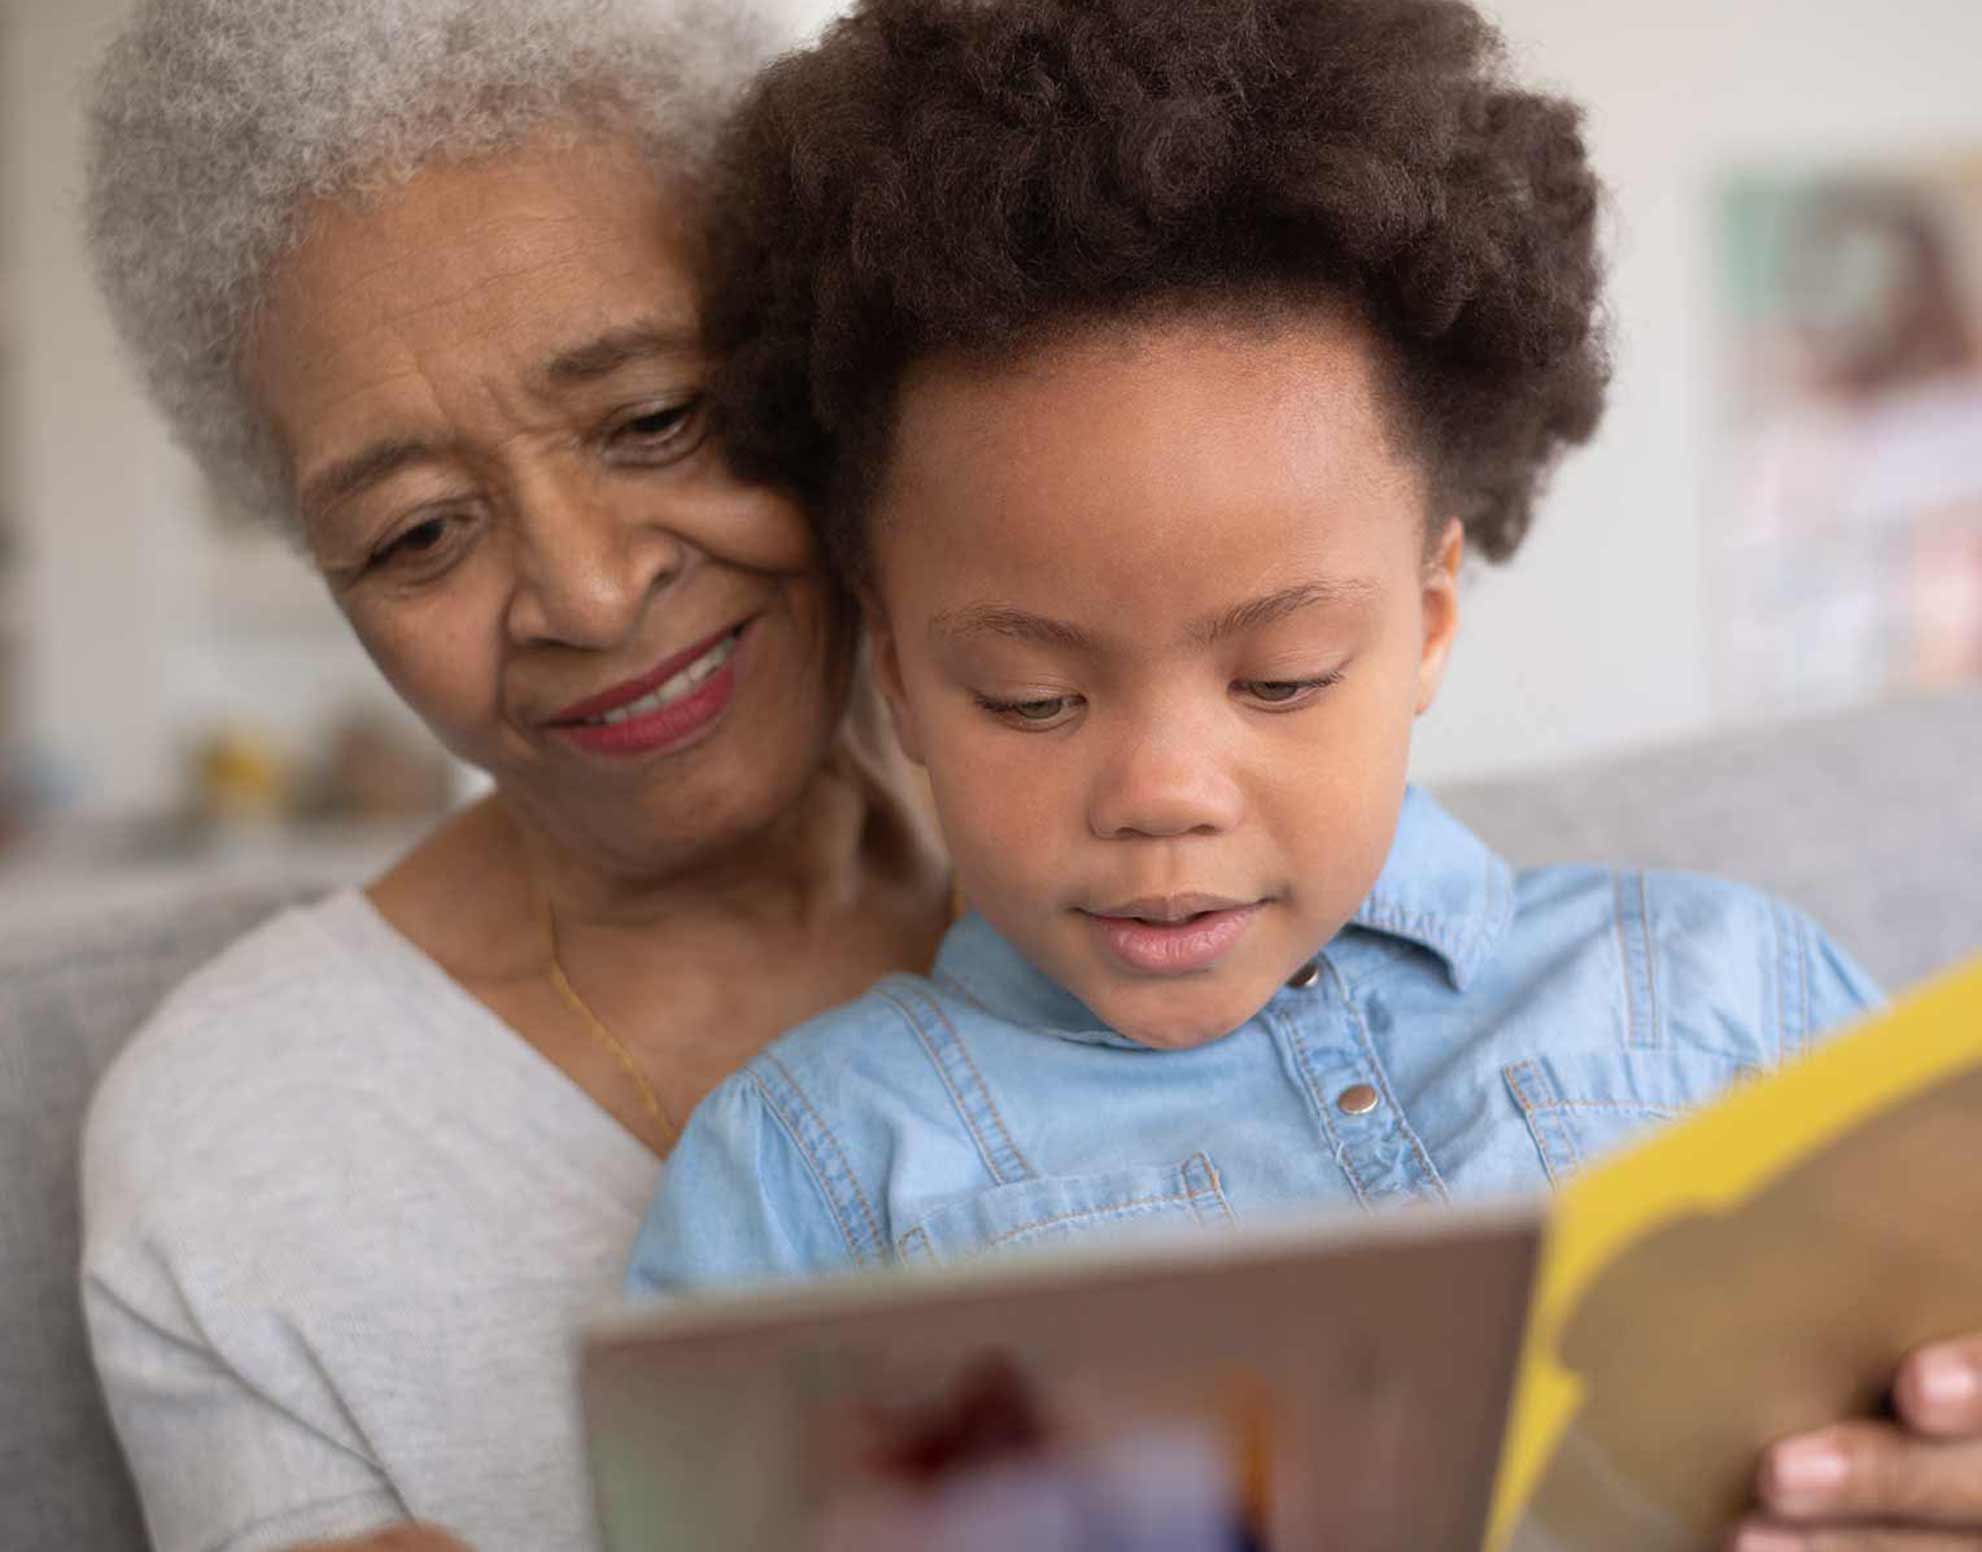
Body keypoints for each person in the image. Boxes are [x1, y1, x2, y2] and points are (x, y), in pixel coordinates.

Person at [625, 2, 1982, 1546]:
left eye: (1278, 678)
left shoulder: (1734, 998)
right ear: (896, 677)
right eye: (1028, 696)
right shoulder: (817, 1168)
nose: (1160, 792)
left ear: (1425, 623)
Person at [76, 2, 952, 1550]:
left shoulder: (1166, 868)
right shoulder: (239, 1153)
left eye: (655, 419)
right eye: (418, 532)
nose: (591, 595)